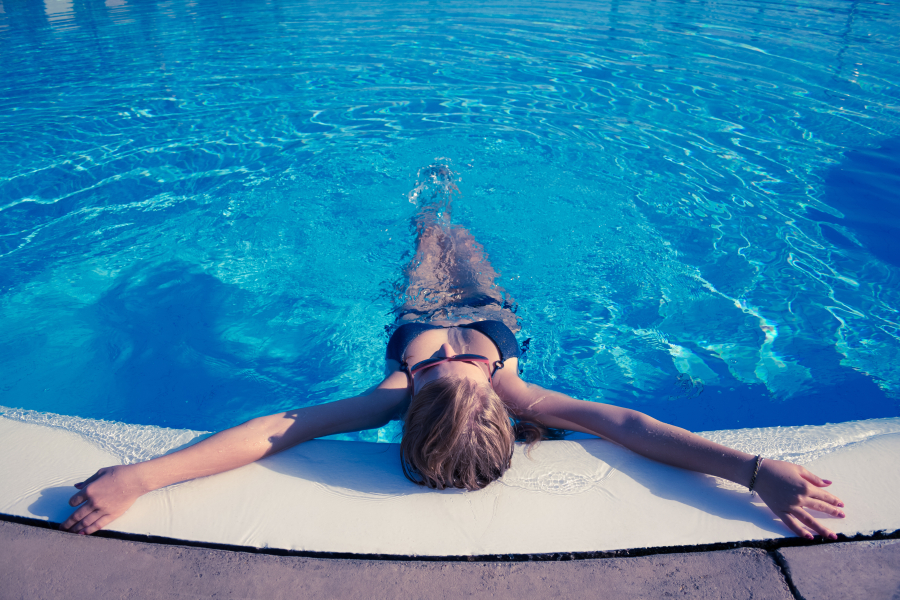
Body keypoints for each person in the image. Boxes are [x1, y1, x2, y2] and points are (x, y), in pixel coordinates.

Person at [61, 164, 845, 540]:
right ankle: (438, 205)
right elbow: (629, 425)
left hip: (431, 315)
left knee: (433, 244)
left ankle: (435, 206)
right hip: (489, 315)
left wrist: (143, 474)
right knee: (448, 242)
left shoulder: (401, 386)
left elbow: (280, 428)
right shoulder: (513, 394)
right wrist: (747, 468)